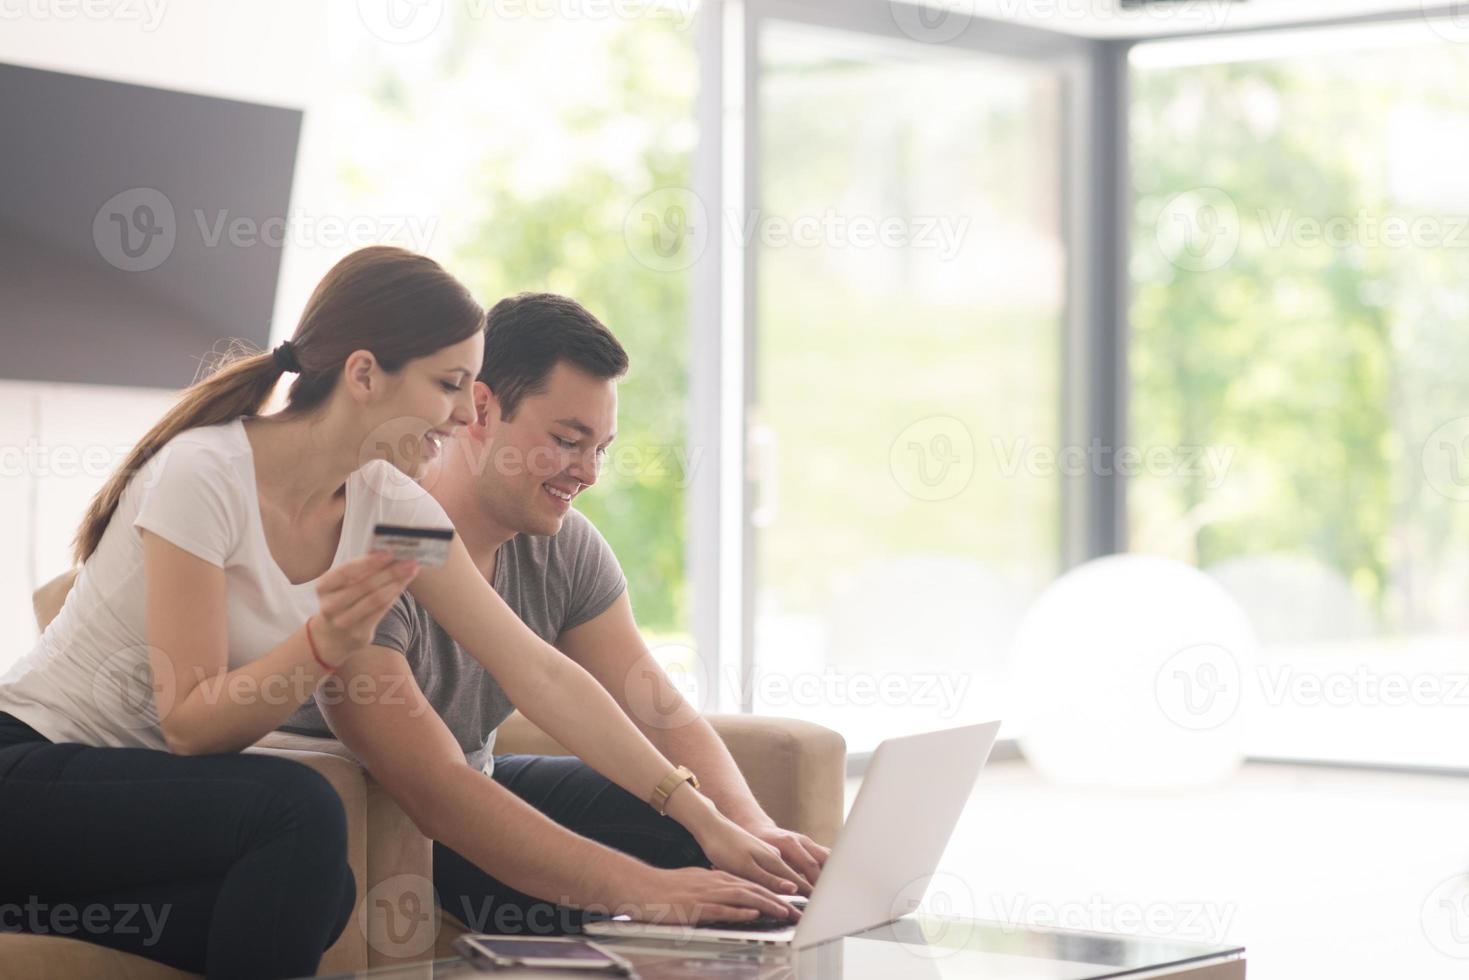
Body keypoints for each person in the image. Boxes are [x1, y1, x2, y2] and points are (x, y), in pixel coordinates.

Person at [281, 292, 829, 938]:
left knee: (718, 858)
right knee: (663, 868)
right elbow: (435, 788)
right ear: (480, 408)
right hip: (393, 807)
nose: (589, 473)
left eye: (600, 448)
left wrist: (739, 825)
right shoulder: (381, 533)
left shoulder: (563, 546)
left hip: (479, 773)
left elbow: (648, 702)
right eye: (569, 441)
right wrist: (650, 890)